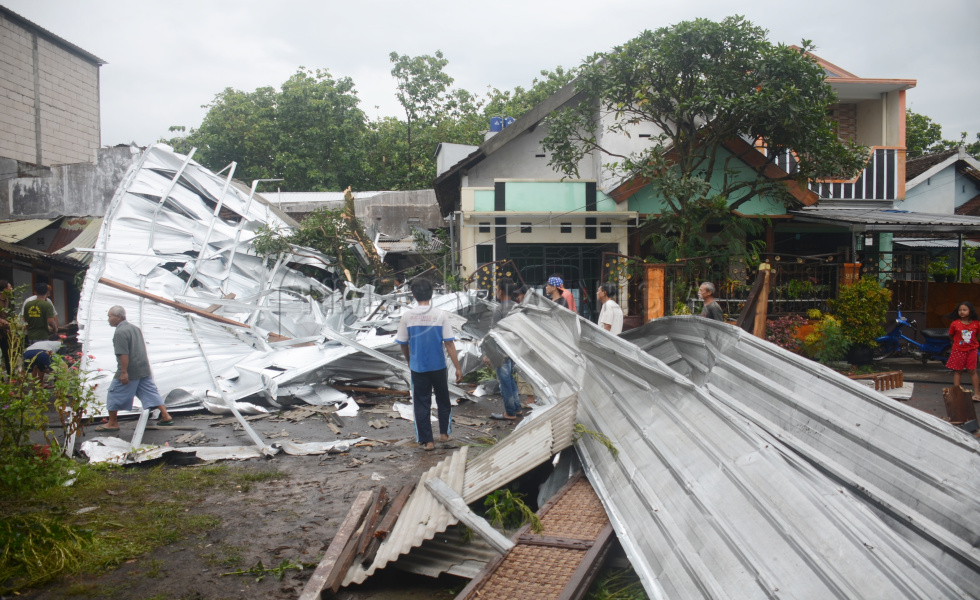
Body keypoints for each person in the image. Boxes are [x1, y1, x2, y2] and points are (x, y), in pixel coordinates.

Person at [395, 279, 463, 450]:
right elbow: (449, 343)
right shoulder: (440, 315)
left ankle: (428, 441)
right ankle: (444, 434)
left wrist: (409, 359)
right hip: (438, 366)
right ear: (431, 294)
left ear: (413, 295)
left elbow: (403, 343)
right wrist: (458, 367)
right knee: (443, 400)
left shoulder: (407, 316)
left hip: (418, 368)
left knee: (421, 404)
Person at [97, 305, 174, 432]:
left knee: (114, 393)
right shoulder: (135, 328)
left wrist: (123, 372)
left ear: (118, 317)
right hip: (143, 367)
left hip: (130, 369)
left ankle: (112, 423)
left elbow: (124, 354)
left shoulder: (120, 332)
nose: (108, 319)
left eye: (110, 316)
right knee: (150, 391)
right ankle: (165, 415)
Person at [486, 278, 522, 421]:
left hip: (501, 350)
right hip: (514, 349)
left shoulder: (499, 309)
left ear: (500, 291)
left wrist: (489, 354)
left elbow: (494, 334)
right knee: (510, 379)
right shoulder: (517, 307)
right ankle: (517, 408)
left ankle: (510, 412)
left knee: (504, 381)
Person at [946, 300, 980, 402]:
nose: (962, 312)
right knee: (958, 371)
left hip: (972, 350)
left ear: (970, 311)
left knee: (972, 371)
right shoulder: (954, 324)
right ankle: (957, 394)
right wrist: (956, 343)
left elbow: (977, 336)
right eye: (960, 310)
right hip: (958, 350)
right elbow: (951, 335)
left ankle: (977, 394)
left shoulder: (977, 324)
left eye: (964, 310)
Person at [0, 279, 13, 374]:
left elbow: (6, 315)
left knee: (7, 353)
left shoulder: (7, 300)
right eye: (10, 287)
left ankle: (10, 375)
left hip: (4, 331)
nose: (11, 288)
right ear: (4, 289)